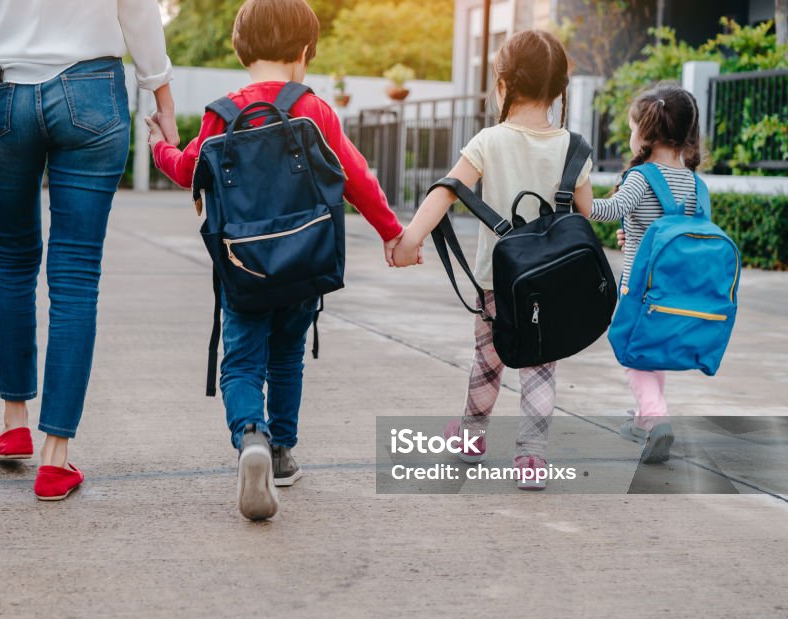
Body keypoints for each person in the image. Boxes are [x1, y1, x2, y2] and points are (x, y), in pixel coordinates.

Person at [0, 0, 178, 501]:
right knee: (75, 275)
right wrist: (162, 97)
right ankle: (55, 458)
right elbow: (137, 9)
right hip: (93, 91)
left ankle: (14, 423)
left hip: (0, 90)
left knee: (11, 259)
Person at [146, 0, 404, 519]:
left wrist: (159, 146)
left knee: (241, 361)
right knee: (287, 356)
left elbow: (187, 171)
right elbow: (357, 178)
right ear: (305, 52)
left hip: (243, 267)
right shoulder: (314, 109)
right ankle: (282, 453)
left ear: (242, 51)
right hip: (305, 264)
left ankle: (251, 437)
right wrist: (393, 233)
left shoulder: (223, 113)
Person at [392, 30, 593, 490]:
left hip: (496, 282)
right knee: (541, 365)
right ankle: (532, 459)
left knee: (488, 361)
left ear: (502, 85)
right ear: (560, 89)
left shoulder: (489, 140)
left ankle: (472, 437)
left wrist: (411, 239)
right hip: (553, 285)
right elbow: (586, 214)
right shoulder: (574, 148)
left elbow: (447, 189)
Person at [589, 84, 704, 462]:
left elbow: (607, 211)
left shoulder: (640, 177)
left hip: (638, 288)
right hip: (676, 288)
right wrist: (634, 231)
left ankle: (656, 419)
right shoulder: (693, 182)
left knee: (632, 352)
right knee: (652, 351)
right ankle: (644, 420)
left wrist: (579, 195)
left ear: (646, 132)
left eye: (631, 127)